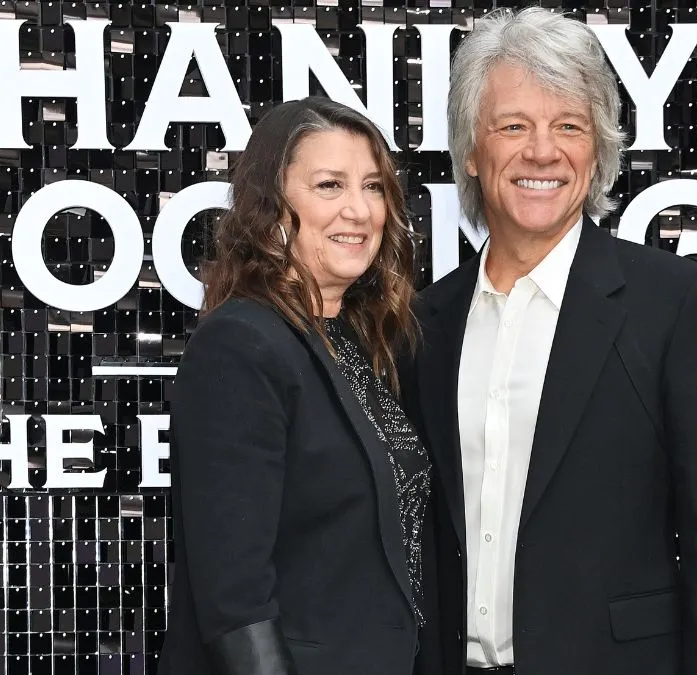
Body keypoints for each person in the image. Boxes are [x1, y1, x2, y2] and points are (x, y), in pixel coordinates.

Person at [402, 8, 697, 675]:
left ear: (597, 151)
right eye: (513, 126)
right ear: (472, 153)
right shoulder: (426, 322)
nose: (542, 151)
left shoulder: (675, 306)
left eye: (568, 126)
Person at [157, 96, 431, 675]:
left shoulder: (363, 344)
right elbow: (234, 600)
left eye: (374, 187)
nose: (359, 210)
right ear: (269, 206)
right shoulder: (240, 345)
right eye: (330, 186)